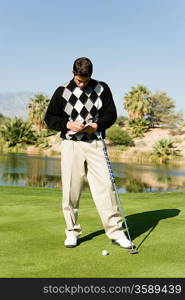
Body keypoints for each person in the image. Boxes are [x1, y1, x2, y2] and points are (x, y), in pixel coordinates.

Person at [44, 57, 134, 249]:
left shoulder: (102, 88)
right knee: (70, 190)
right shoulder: (62, 91)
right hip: (71, 145)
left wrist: (96, 125)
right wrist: (67, 124)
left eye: (85, 81)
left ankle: (116, 232)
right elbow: (50, 118)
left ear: (91, 75)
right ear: (73, 74)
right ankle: (72, 232)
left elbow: (111, 114)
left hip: (95, 143)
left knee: (107, 188)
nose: (82, 84)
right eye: (79, 80)